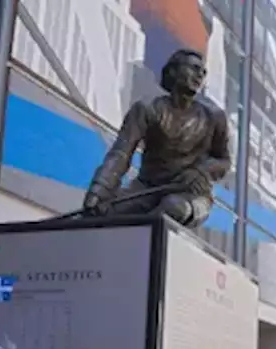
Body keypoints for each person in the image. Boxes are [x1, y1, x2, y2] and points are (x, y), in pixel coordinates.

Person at [83, 50, 230, 227]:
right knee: (104, 211)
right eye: (194, 68)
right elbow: (120, 154)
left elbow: (224, 161)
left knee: (172, 209)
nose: (200, 74)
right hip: (147, 189)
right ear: (173, 72)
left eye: (203, 72)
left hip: (191, 195)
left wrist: (202, 171)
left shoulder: (213, 117)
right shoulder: (147, 109)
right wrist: (99, 191)